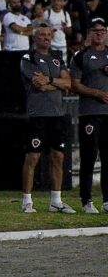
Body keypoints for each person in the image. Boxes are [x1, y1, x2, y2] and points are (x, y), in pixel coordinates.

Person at [20, 23, 74, 214]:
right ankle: (27, 201)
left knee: (58, 156)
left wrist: (51, 81)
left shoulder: (57, 58)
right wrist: (59, 84)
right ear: (35, 38)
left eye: (49, 35)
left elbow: (69, 84)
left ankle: (56, 201)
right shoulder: (29, 57)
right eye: (42, 35)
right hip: (38, 115)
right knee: (33, 156)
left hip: (57, 115)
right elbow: (38, 85)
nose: (46, 38)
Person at [70, 17, 108, 214]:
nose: (99, 33)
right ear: (89, 34)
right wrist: (96, 93)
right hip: (90, 113)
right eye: (96, 30)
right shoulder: (81, 56)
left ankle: (107, 200)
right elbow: (74, 84)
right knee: (89, 157)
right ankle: (86, 200)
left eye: (102, 30)